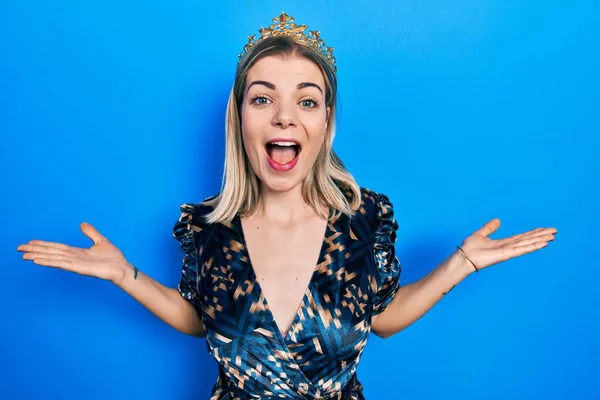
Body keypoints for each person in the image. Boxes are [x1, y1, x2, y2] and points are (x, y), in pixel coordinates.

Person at [17, 12, 557, 399]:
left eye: (306, 99)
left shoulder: (366, 221)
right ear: (241, 118)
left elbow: (384, 319)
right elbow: (201, 320)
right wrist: (125, 275)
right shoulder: (206, 228)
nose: (283, 116)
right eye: (262, 97)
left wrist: (461, 262)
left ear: (325, 122)